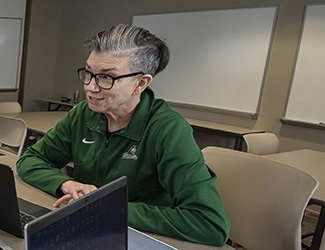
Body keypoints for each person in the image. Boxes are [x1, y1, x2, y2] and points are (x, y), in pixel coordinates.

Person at [16, 24, 230, 246]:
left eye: (106, 78)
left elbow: (209, 223)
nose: (90, 87)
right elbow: (30, 160)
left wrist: (103, 206)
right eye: (88, 73)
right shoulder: (83, 114)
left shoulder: (168, 130)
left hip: (139, 238)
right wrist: (66, 183)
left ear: (141, 83)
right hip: (87, 232)